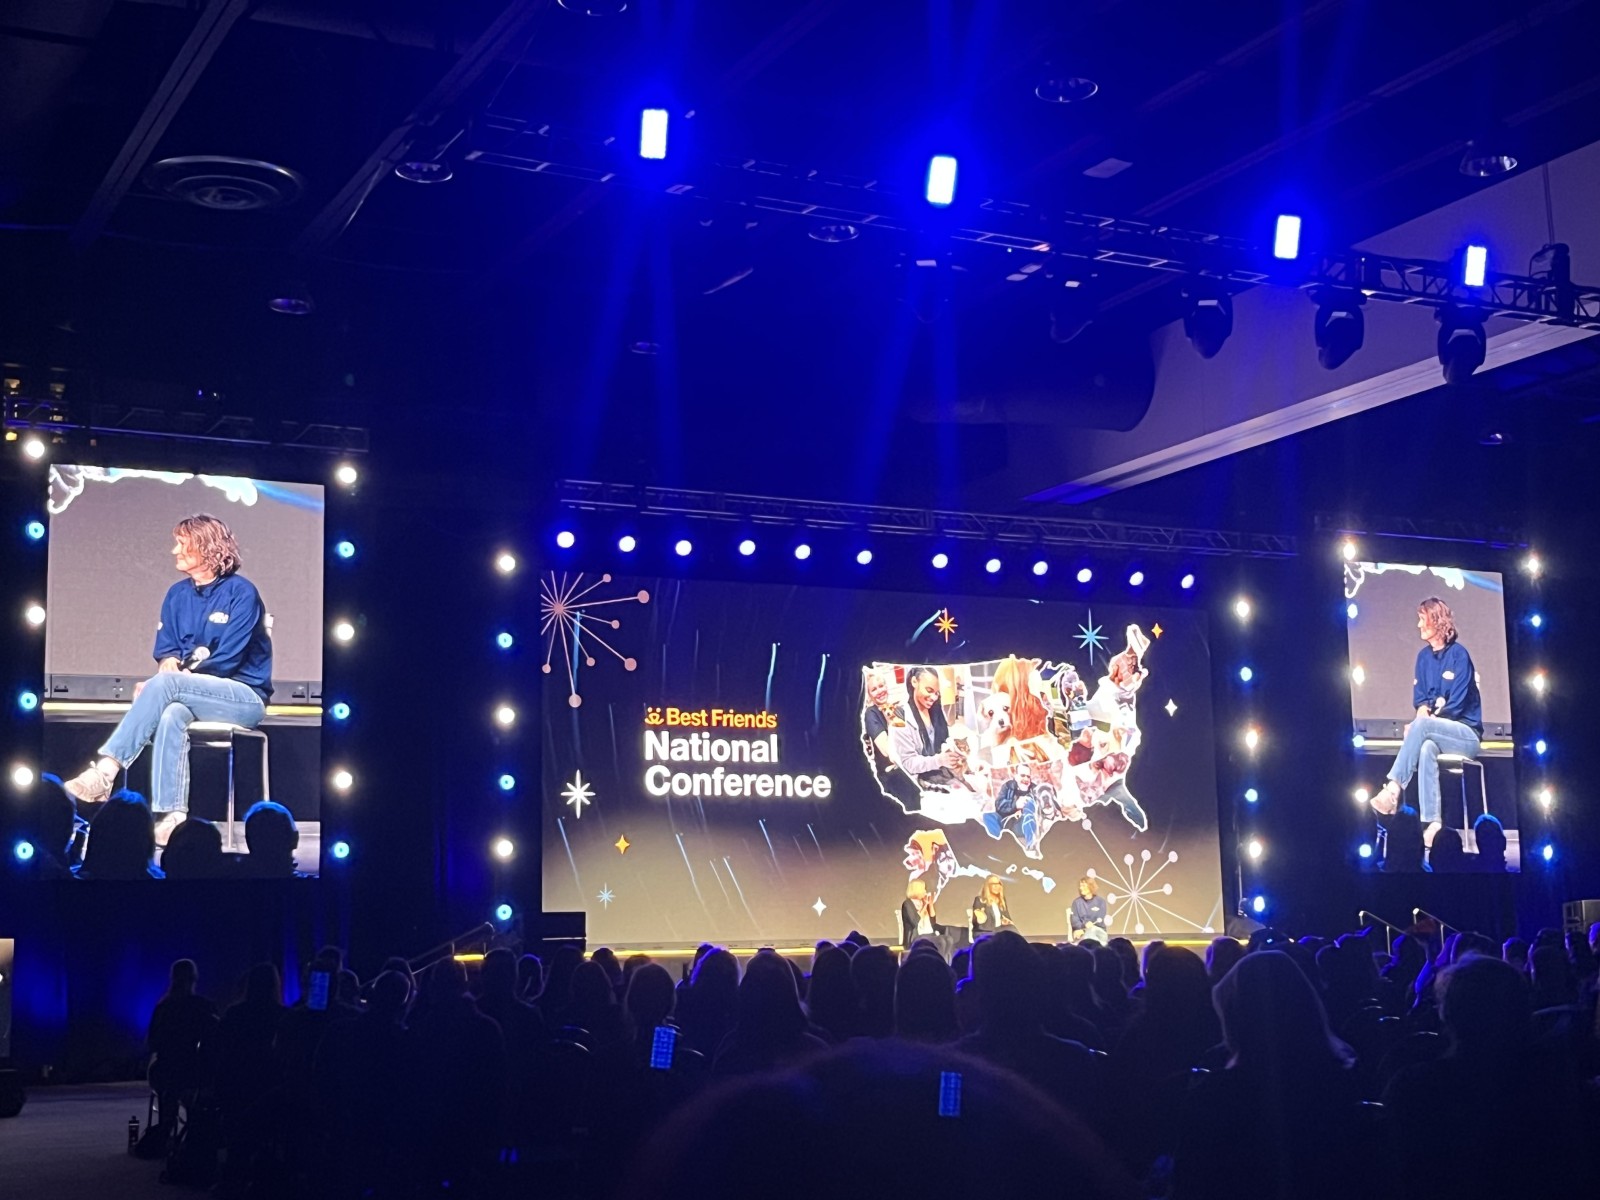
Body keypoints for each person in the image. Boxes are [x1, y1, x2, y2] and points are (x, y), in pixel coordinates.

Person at [60, 514, 273, 845]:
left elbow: (229, 659)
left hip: (244, 697)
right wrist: (168, 663)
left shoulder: (242, 592)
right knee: (172, 712)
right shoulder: (176, 595)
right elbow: (167, 651)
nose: (174, 551)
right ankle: (172, 817)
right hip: (189, 692)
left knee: (164, 687)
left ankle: (105, 772)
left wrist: (168, 681)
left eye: (182, 544)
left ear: (207, 547)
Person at [1370, 597, 1482, 846]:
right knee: (1426, 747)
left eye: (1422, 619)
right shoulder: (1423, 658)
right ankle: (1433, 824)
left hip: (1466, 735)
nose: (1418, 625)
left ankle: (1392, 790)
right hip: (1435, 733)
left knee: (1420, 727)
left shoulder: (1459, 655)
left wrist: (1421, 726)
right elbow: (1421, 703)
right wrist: (1419, 725)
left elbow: (1456, 706)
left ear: (1437, 620)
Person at [140, 959, 219, 1157]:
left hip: (164, 1071)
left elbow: (152, 1044)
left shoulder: (163, 1008)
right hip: (194, 1072)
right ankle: (195, 1133)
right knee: (198, 1084)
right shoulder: (204, 1006)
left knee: (169, 1083)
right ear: (195, 978)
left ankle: (165, 1127)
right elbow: (216, 1041)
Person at [890, 666, 961, 790]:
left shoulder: (937, 711)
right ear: (914, 682)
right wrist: (938, 761)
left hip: (944, 774)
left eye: (937, 693)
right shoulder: (899, 716)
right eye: (929, 690)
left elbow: (945, 741)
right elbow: (908, 763)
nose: (933, 697)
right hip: (919, 784)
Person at [900, 879, 954, 959]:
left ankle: (945, 962)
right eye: (923, 889)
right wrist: (925, 905)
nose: (925, 891)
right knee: (941, 942)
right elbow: (915, 921)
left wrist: (930, 904)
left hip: (928, 934)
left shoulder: (923, 902)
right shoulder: (907, 904)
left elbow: (932, 922)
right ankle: (937, 961)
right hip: (916, 937)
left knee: (949, 940)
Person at [1070, 876, 1110, 945]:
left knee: (1091, 930)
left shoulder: (1101, 902)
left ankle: (1088, 946)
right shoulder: (1076, 902)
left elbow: (1099, 920)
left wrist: (1087, 927)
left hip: (1098, 932)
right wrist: (1084, 926)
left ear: (1091, 886)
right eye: (1080, 886)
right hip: (1082, 932)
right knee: (1086, 934)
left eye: (1083, 886)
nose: (1081, 888)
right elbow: (1074, 920)